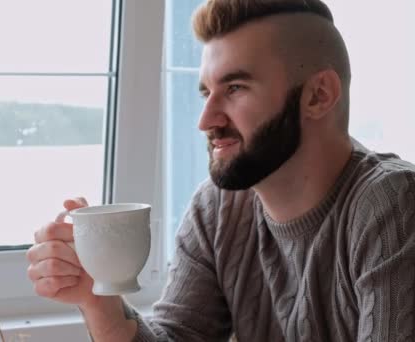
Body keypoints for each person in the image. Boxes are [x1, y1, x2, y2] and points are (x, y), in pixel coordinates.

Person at [26, 0, 415, 340]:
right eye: (205, 92)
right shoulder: (217, 209)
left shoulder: (392, 204)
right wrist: (99, 300)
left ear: (318, 95)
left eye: (235, 88)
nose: (206, 119)